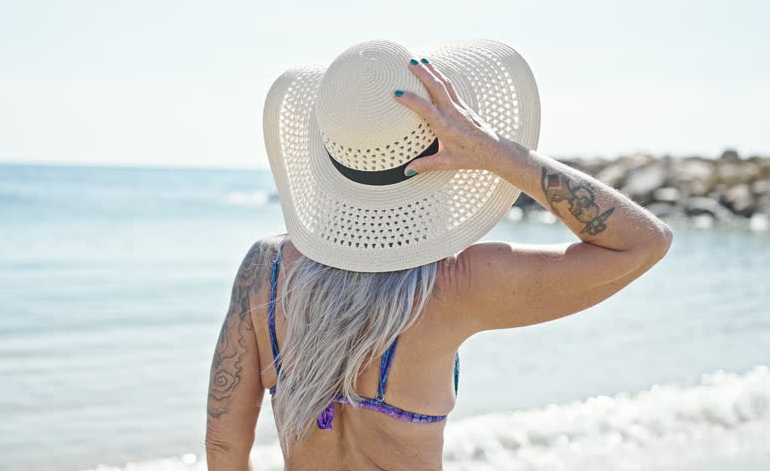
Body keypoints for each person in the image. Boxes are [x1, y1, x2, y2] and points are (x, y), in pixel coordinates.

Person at [205, 40, 673, 471]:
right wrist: (496, 153)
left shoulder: (265, 270)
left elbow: (224, 446)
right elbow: (643, 241)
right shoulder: (455, 283)